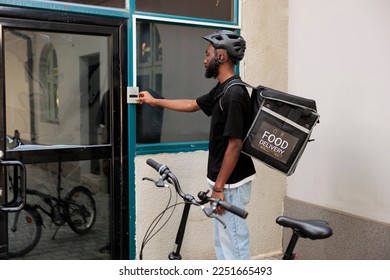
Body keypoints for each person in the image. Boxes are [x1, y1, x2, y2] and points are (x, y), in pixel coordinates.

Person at [137, 30, 256, 260]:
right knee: (223, 244)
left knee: (235, 247)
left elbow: (235, 144)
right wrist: (154, 101)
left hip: (230, 184)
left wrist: (219, 188)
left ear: (221, 56)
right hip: (223, 183)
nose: (204, 59)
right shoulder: (223, 88)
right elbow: (192, 104)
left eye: (207, 54)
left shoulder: (234, 93)